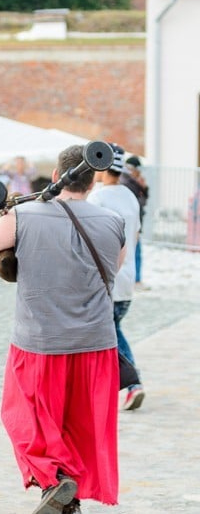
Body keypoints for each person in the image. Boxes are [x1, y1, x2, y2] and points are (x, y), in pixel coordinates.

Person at [0, 143, 125, 514]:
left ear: (56, 176)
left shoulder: (24, 216)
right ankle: (67, 505)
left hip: (40, 342)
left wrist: (24, 211)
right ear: (94, 181)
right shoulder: (112, 222)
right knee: (79, 426)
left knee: (25, 418)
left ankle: (54, 480)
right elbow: (115, 266)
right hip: (96, 343)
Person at [88, 144, 146, 411]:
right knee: (112, 331)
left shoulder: (98, 199)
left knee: (108, 336)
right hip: (127, 277)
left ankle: (131, 384)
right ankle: (114, 387)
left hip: (107, 279)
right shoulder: (130, 197)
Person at [120, 155, 149, 288]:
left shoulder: (132, 182)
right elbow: (138, 204)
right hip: (131, 224)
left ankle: (135, 279)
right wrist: (143, 188)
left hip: (134, 223)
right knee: (134, 253)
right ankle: (135, 280)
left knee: (135, 253)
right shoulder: (128, 183)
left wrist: (144, 188)